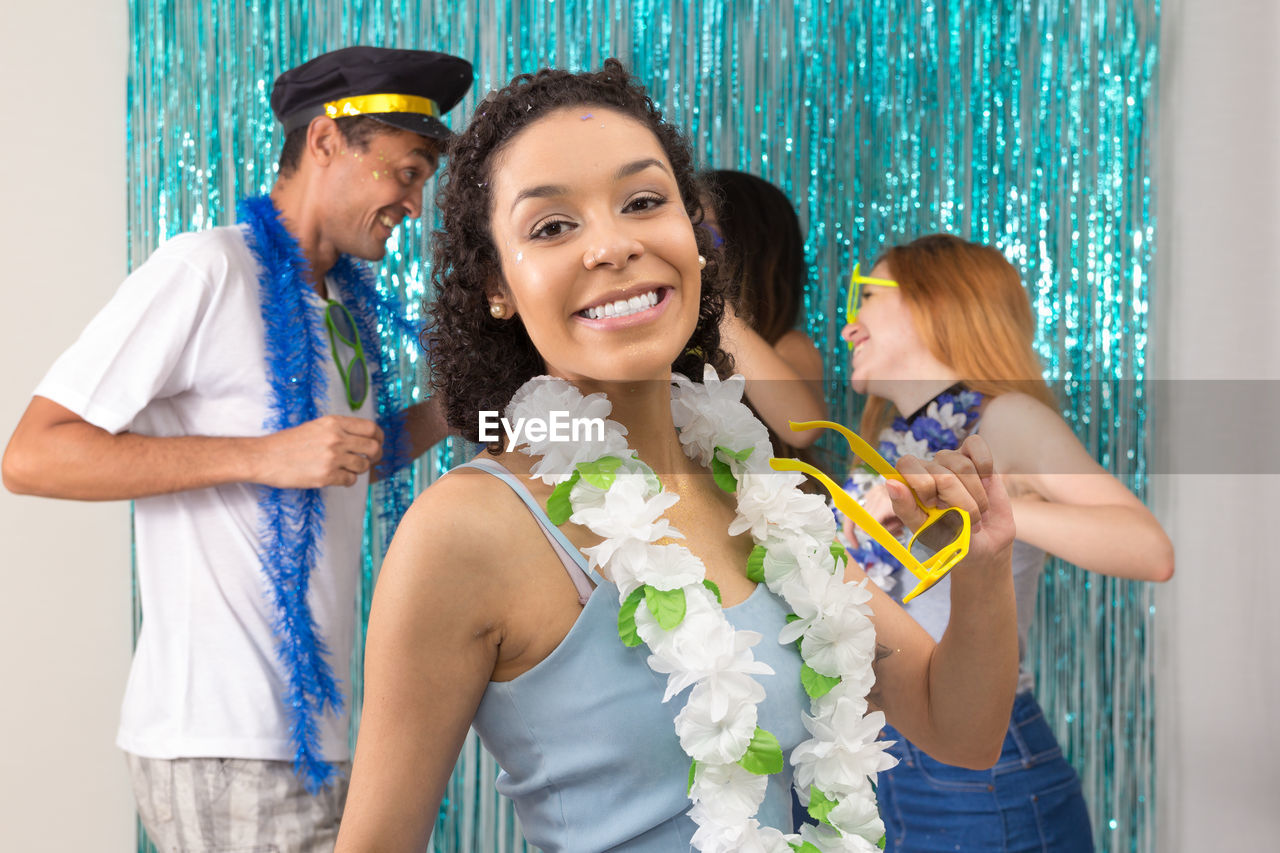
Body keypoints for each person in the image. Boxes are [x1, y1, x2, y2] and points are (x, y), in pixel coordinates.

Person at [335, 60, 1021, 853]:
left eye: (643, 202)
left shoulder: (762, 492)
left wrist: (983, 567)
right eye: (553, 225)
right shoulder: (465, 528)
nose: (614, 244)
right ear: (497, 283)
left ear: (693, 237)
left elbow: (960, 728)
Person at [1, 45, 471, 851]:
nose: (415, 203)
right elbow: (35, 454)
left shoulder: (338, 307)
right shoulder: (207, 268)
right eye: (407, 171)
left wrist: (463, 408)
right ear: (326, 141)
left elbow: (352, 455)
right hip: (224, 737)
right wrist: (265, 455)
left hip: (316, 737)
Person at [837, 233, 1175, 851]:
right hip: (889, 764)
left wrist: (978, 505)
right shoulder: (894, 441)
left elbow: (1148, 548)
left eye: (866, 297)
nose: (848, 327)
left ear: (933, 300)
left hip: (981, 780)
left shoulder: (1005, 419)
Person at [700, 170, 827, 454]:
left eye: (704, 232)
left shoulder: (789, 344)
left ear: (748, 247)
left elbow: (804, 426)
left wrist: (715, 306)